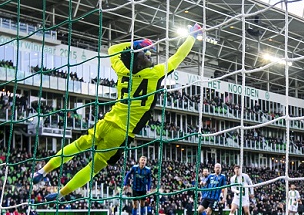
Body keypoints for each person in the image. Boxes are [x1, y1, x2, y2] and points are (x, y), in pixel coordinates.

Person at [32, 24, 202, 200]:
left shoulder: (123, 70)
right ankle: (60, 194)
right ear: (142, 59)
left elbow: (112, 49)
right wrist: (192, 36)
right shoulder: (155, 73)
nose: (150, 57)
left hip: (106, 121)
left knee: (77, 146)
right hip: (121, 132)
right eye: (147, 55)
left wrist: (135, 44)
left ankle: (43, 170)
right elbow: (178, 57)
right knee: (93, 167)